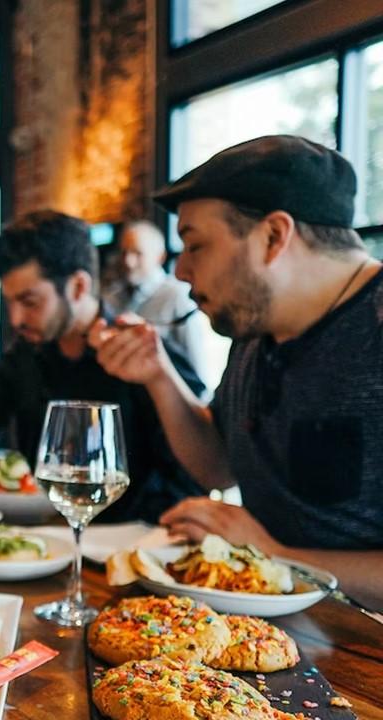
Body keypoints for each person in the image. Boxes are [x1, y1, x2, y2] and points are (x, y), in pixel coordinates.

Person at [91, 135, 383, 607]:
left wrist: (275, 555)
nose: (181, 271)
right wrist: (158, 376)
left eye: (195, 245)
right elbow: (218, 465)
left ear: (273, 236)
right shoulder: (255, 330)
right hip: (270, 626)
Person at [0, 210, 206, 524]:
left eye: (30, 302)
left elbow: (194, 475)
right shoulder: (23, 357)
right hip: (42, 538)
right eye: (10, 303)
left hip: (128, 548)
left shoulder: (142, 354)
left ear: (79, 286)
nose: (16, 319)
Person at [102, 220, 224, 390]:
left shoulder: (177, 296)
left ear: (160, 257)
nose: (128, 261)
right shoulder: (110, 297)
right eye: (124, 253)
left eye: (138, 253)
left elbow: (197, 369)